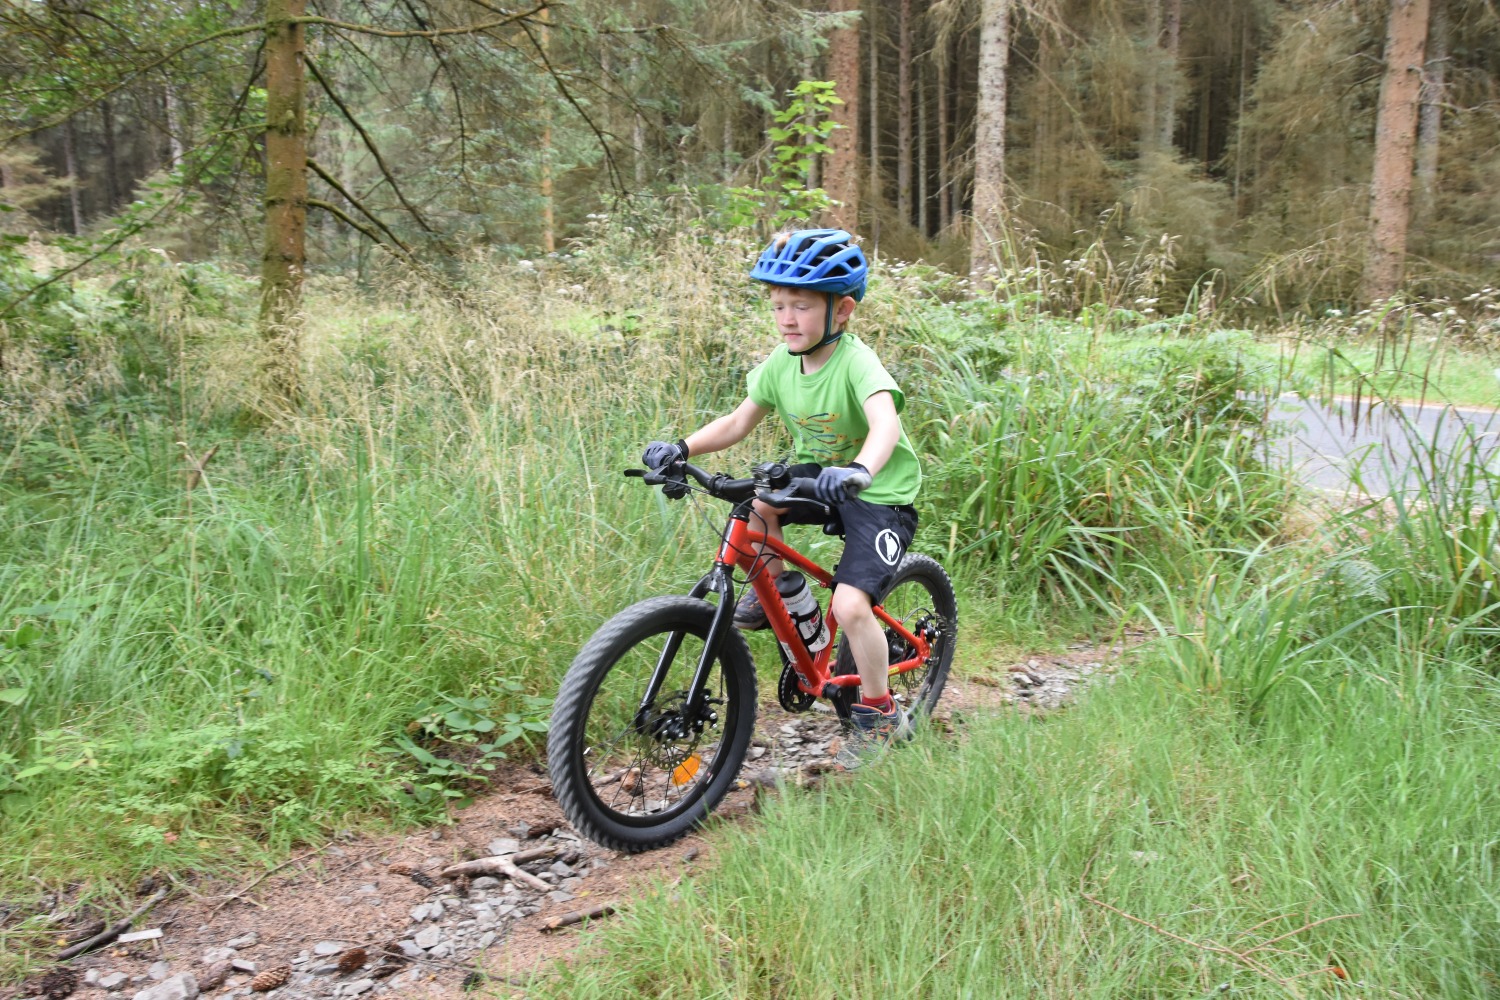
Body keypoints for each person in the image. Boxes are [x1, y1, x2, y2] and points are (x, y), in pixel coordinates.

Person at [641, 228, 922, 766]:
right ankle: (798, 612)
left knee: (852, 603)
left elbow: (885, 423)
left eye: (801, 305)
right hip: (822, 476)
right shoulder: (780, 363)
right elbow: (738, 421)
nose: (787, 318)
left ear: (841, 312)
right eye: (778, 306)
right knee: (757, 509)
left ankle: (881, 710)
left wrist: (861, 470)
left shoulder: (857, 363)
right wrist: (682, 447)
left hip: (878, 490)